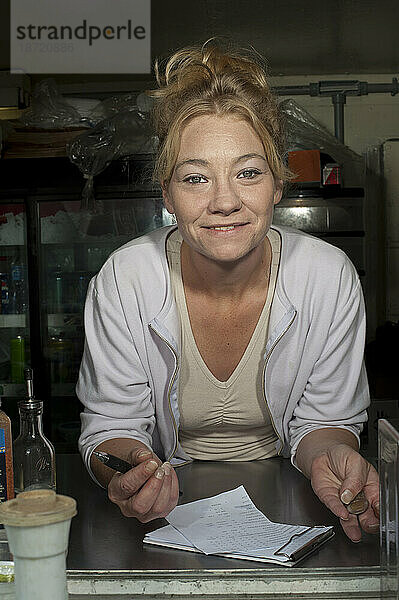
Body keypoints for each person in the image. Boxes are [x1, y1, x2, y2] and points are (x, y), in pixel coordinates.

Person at [77, 41, 379, 542]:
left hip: (290, 496)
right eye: (196, 178)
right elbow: (112, 424)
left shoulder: (327, 278)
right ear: (167, 193)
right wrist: (130, 470)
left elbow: (323, 421)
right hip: (166, 515)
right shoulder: (126, 279)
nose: (224, 201)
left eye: (248, 172)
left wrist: (335, 455)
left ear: (278, 184)